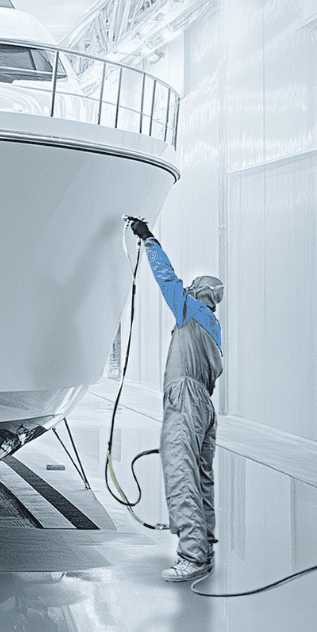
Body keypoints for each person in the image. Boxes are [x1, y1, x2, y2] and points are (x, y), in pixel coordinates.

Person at [127, 218, 224, 583]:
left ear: (199, 293)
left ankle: (192, 556)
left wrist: (148, 239)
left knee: (181, 474)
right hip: (204, 408)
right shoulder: (212, 328)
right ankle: (206, 549)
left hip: (185, 401)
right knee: (201, 478)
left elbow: (168, 280)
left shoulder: (192, 312)